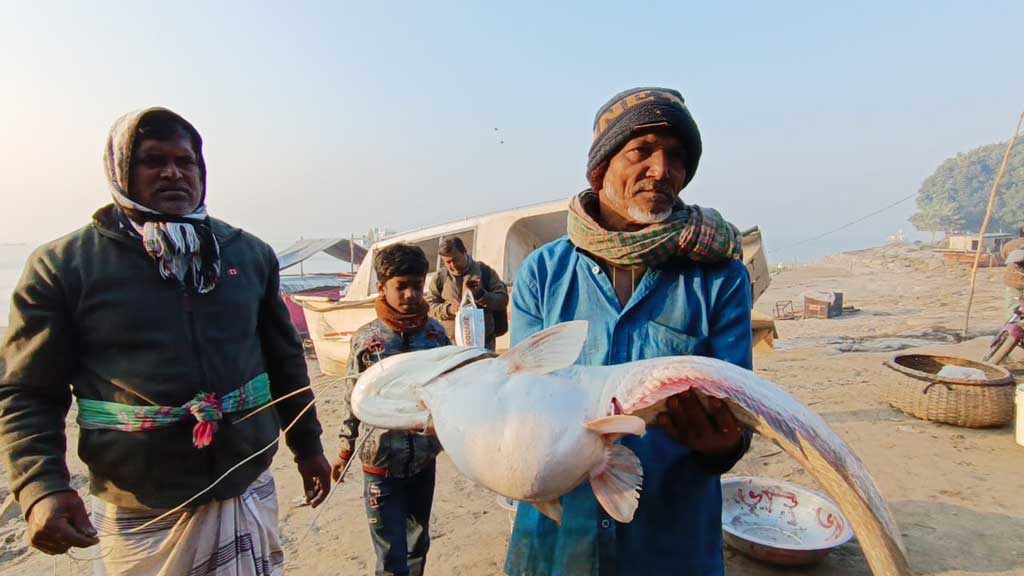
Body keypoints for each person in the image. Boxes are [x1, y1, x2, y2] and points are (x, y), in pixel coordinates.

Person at [0, 108, 331, 575]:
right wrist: (41, 488)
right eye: (153, 160)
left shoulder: (247, 254)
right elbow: (28, 392)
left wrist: (308, 447)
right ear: (120, 171)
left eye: (186, 161)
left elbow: (285, 362)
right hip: (142, 505)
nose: (173, 172)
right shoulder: (64, 266)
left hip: (245, 484)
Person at [504, 87, 753, 575]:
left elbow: (738, 412)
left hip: (668, 543)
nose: (662, 170)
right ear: (601, 169)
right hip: (559, 539)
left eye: (677, 156)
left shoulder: (719, 279)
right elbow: (523, 400)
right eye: (641, 151)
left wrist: (722, 446)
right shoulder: (542, 274)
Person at [334, 243, 450, 576]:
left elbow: (448, 390)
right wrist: (345, 450)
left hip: (424, 461)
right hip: (380, 466)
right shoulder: (368, 341)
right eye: (402, 286)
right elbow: (351, 398)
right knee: (390, 555)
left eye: (417, 285)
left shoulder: (435, 335)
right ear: (382, 286)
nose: (412, 294)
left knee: (418, 545)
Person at [426, 237, 509, 350]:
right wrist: (449, 309)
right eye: (448, 262)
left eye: (455, 260)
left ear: (465, 252)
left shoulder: (484, 272)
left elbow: (502, 299)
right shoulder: (440, 278)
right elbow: (430, 306)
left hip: (484, 343)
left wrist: (481, 295)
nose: (453, 265)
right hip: (451, 345)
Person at [1001, 227, 1024, 315]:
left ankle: (1012, 325)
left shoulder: (1009, 245)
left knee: (1013, 310)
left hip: (1012, 283)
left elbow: (1005, 258)